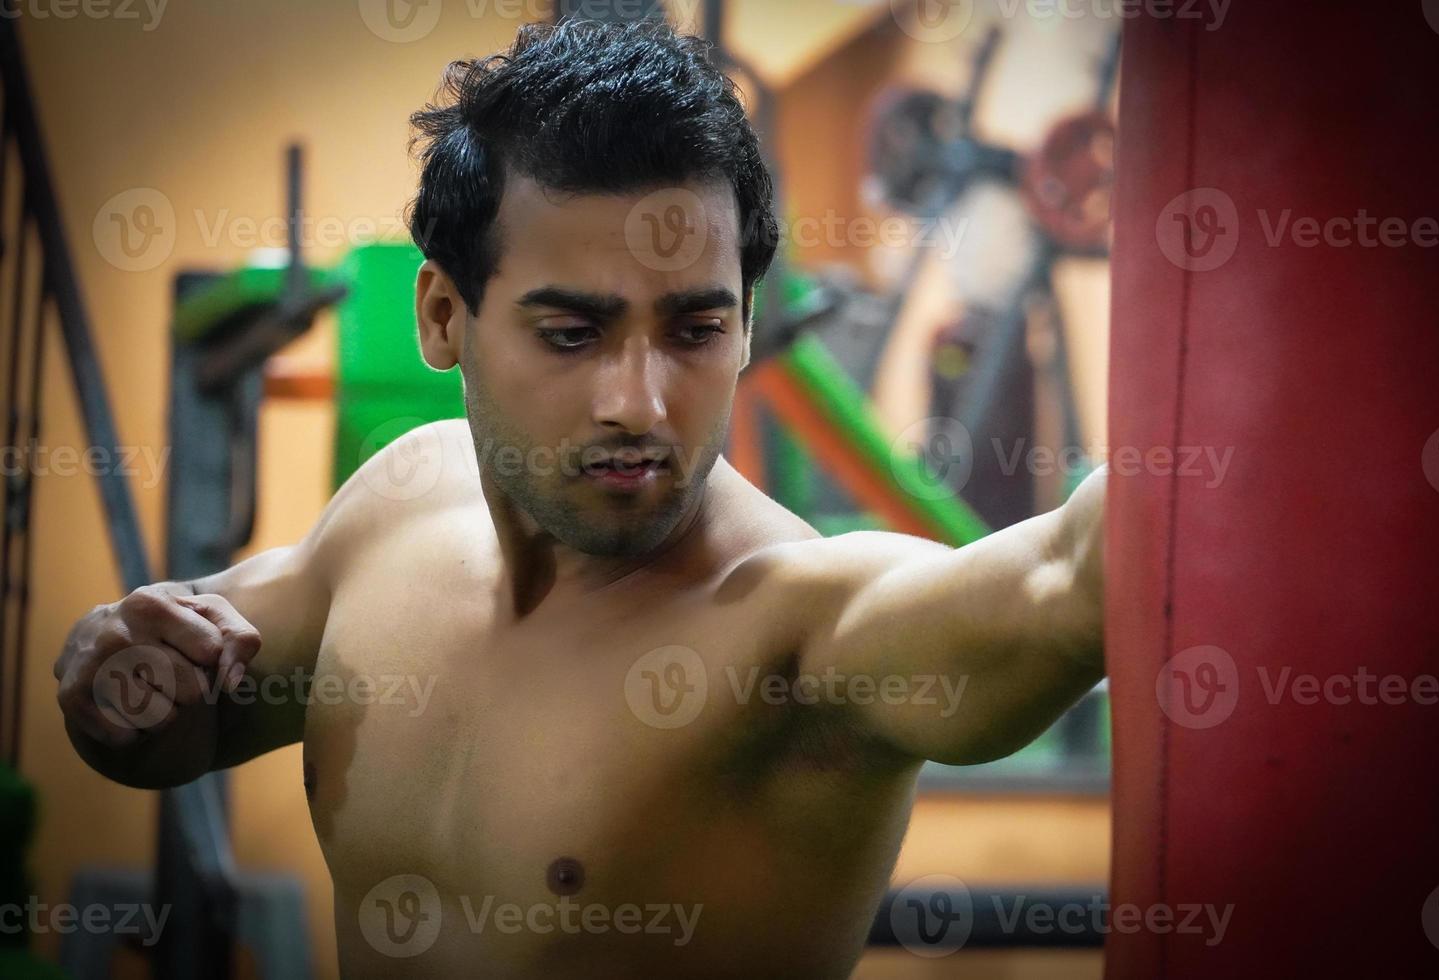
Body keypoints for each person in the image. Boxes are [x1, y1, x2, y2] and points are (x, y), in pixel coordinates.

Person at [55, 19, 1105, 978]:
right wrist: (112, 675)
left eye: (695, 330)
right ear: (442, 317)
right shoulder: (399, 505)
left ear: (747, 321)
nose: (638, 403)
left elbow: (1063, 581)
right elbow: (172, 722)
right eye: (571, 333)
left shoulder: (806, 624)